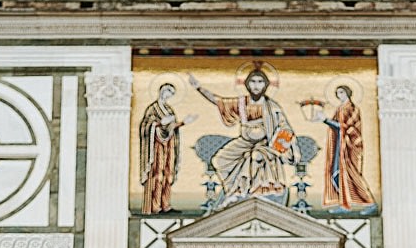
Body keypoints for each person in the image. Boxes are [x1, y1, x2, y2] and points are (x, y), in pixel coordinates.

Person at [187, 65, 295, 204]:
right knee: (219, 160)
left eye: (260, 82)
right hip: (244, 142)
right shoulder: (241, 103)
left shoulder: (272, 106)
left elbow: (284, 127)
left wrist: (280, 143)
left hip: (264, 144)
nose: (256, 85)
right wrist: (198, 88)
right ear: (247, 84)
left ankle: (252, 191)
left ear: (266, 85)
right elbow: (218, 101)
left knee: (256, 157)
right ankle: (233, 190)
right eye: (253, 82)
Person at [321, 84, 374, 211]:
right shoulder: (339, 109)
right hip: (339, 146)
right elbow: (337, 126)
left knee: (353, 175)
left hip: (350, 146)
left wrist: (325, 120)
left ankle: (370, 203)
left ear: (348, 93)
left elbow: (348, 127)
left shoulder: (353, 109)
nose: (339, 95)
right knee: (336, 174)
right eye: (338, 93)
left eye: (342, 92)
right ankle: (344, 203)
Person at [138, 82, 184, 214]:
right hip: (156, 147)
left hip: (168, 146)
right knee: (157, 174)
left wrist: (182, 123)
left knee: (168, 174)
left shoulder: (169, 109)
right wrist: (158, 123)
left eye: (171, 94)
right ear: (162, 92)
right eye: (167, 92)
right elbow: (145, 126)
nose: (168, 96)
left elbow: (171, 127)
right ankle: (154, 206)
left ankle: (166, 204)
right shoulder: (153, 109)